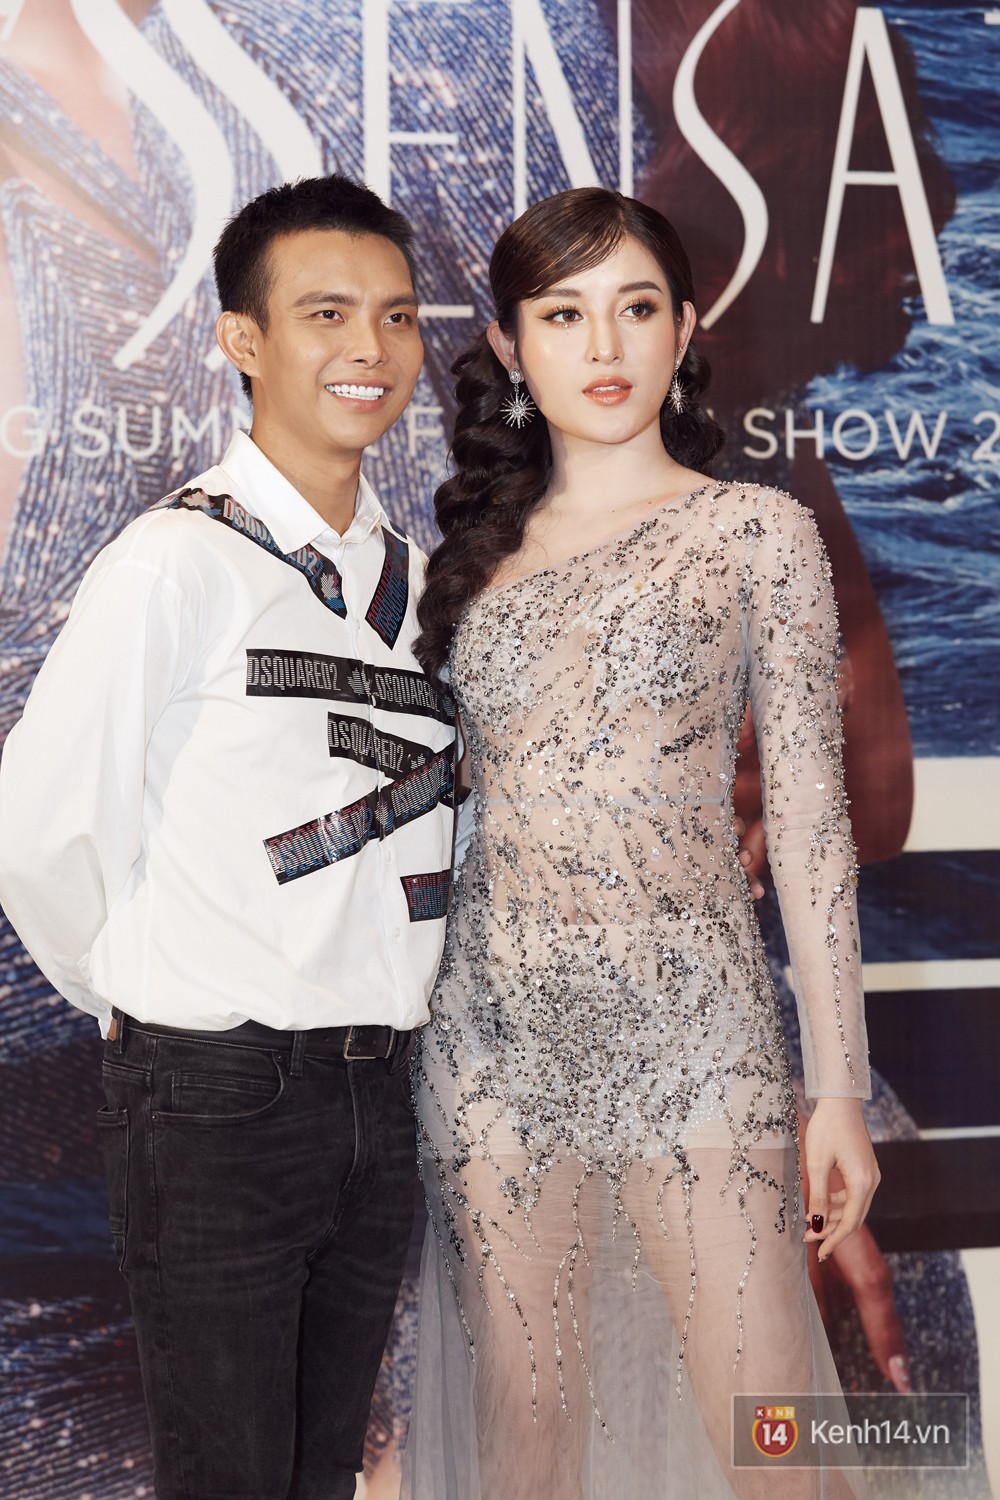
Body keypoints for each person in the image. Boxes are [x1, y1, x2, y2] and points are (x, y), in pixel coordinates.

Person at [402, 186, 880, 1500]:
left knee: (773, 1436)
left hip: (699, 1032)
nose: (604, 346)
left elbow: (813, 829)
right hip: (493, 1041)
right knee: (526, 1444)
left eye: (636, 308)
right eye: (563, 315)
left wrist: (839, 1088)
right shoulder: (465, 558)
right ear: (509, 344)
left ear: (686, 327)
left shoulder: (755, 532)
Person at [0, 173, 456, 1500]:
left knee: (321, 1478)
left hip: (383, 1092)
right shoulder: (175, 562)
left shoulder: (419, 582)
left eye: (396, 316)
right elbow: (40, 832)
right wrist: (148, 1006)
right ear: (242, 340)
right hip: (216, 1097)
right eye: (326, 314)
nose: (370, 348)